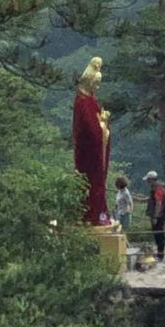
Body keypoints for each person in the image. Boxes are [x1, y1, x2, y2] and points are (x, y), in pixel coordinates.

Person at [72, 57, 112, 226]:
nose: (97, 87)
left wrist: (103, 121)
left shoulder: (91, 100)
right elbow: (92, 130)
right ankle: (93, 216)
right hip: (89, 154)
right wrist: (103, 125)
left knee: (97, 183)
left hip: (94, 152)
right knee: (91, 184)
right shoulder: (83, 102)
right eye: (95, 84)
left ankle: (99, 214)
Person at [143, 170, 165, 261]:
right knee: (157, 234)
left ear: (152, 180)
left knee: (159, 234)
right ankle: (159, 254)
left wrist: (155, 217)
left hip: (159, 216)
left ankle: (160, 255)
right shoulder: (156, 188)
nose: (147, 182)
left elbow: (158, 203)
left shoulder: (158, 189)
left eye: (148, 180)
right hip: (158, 215)